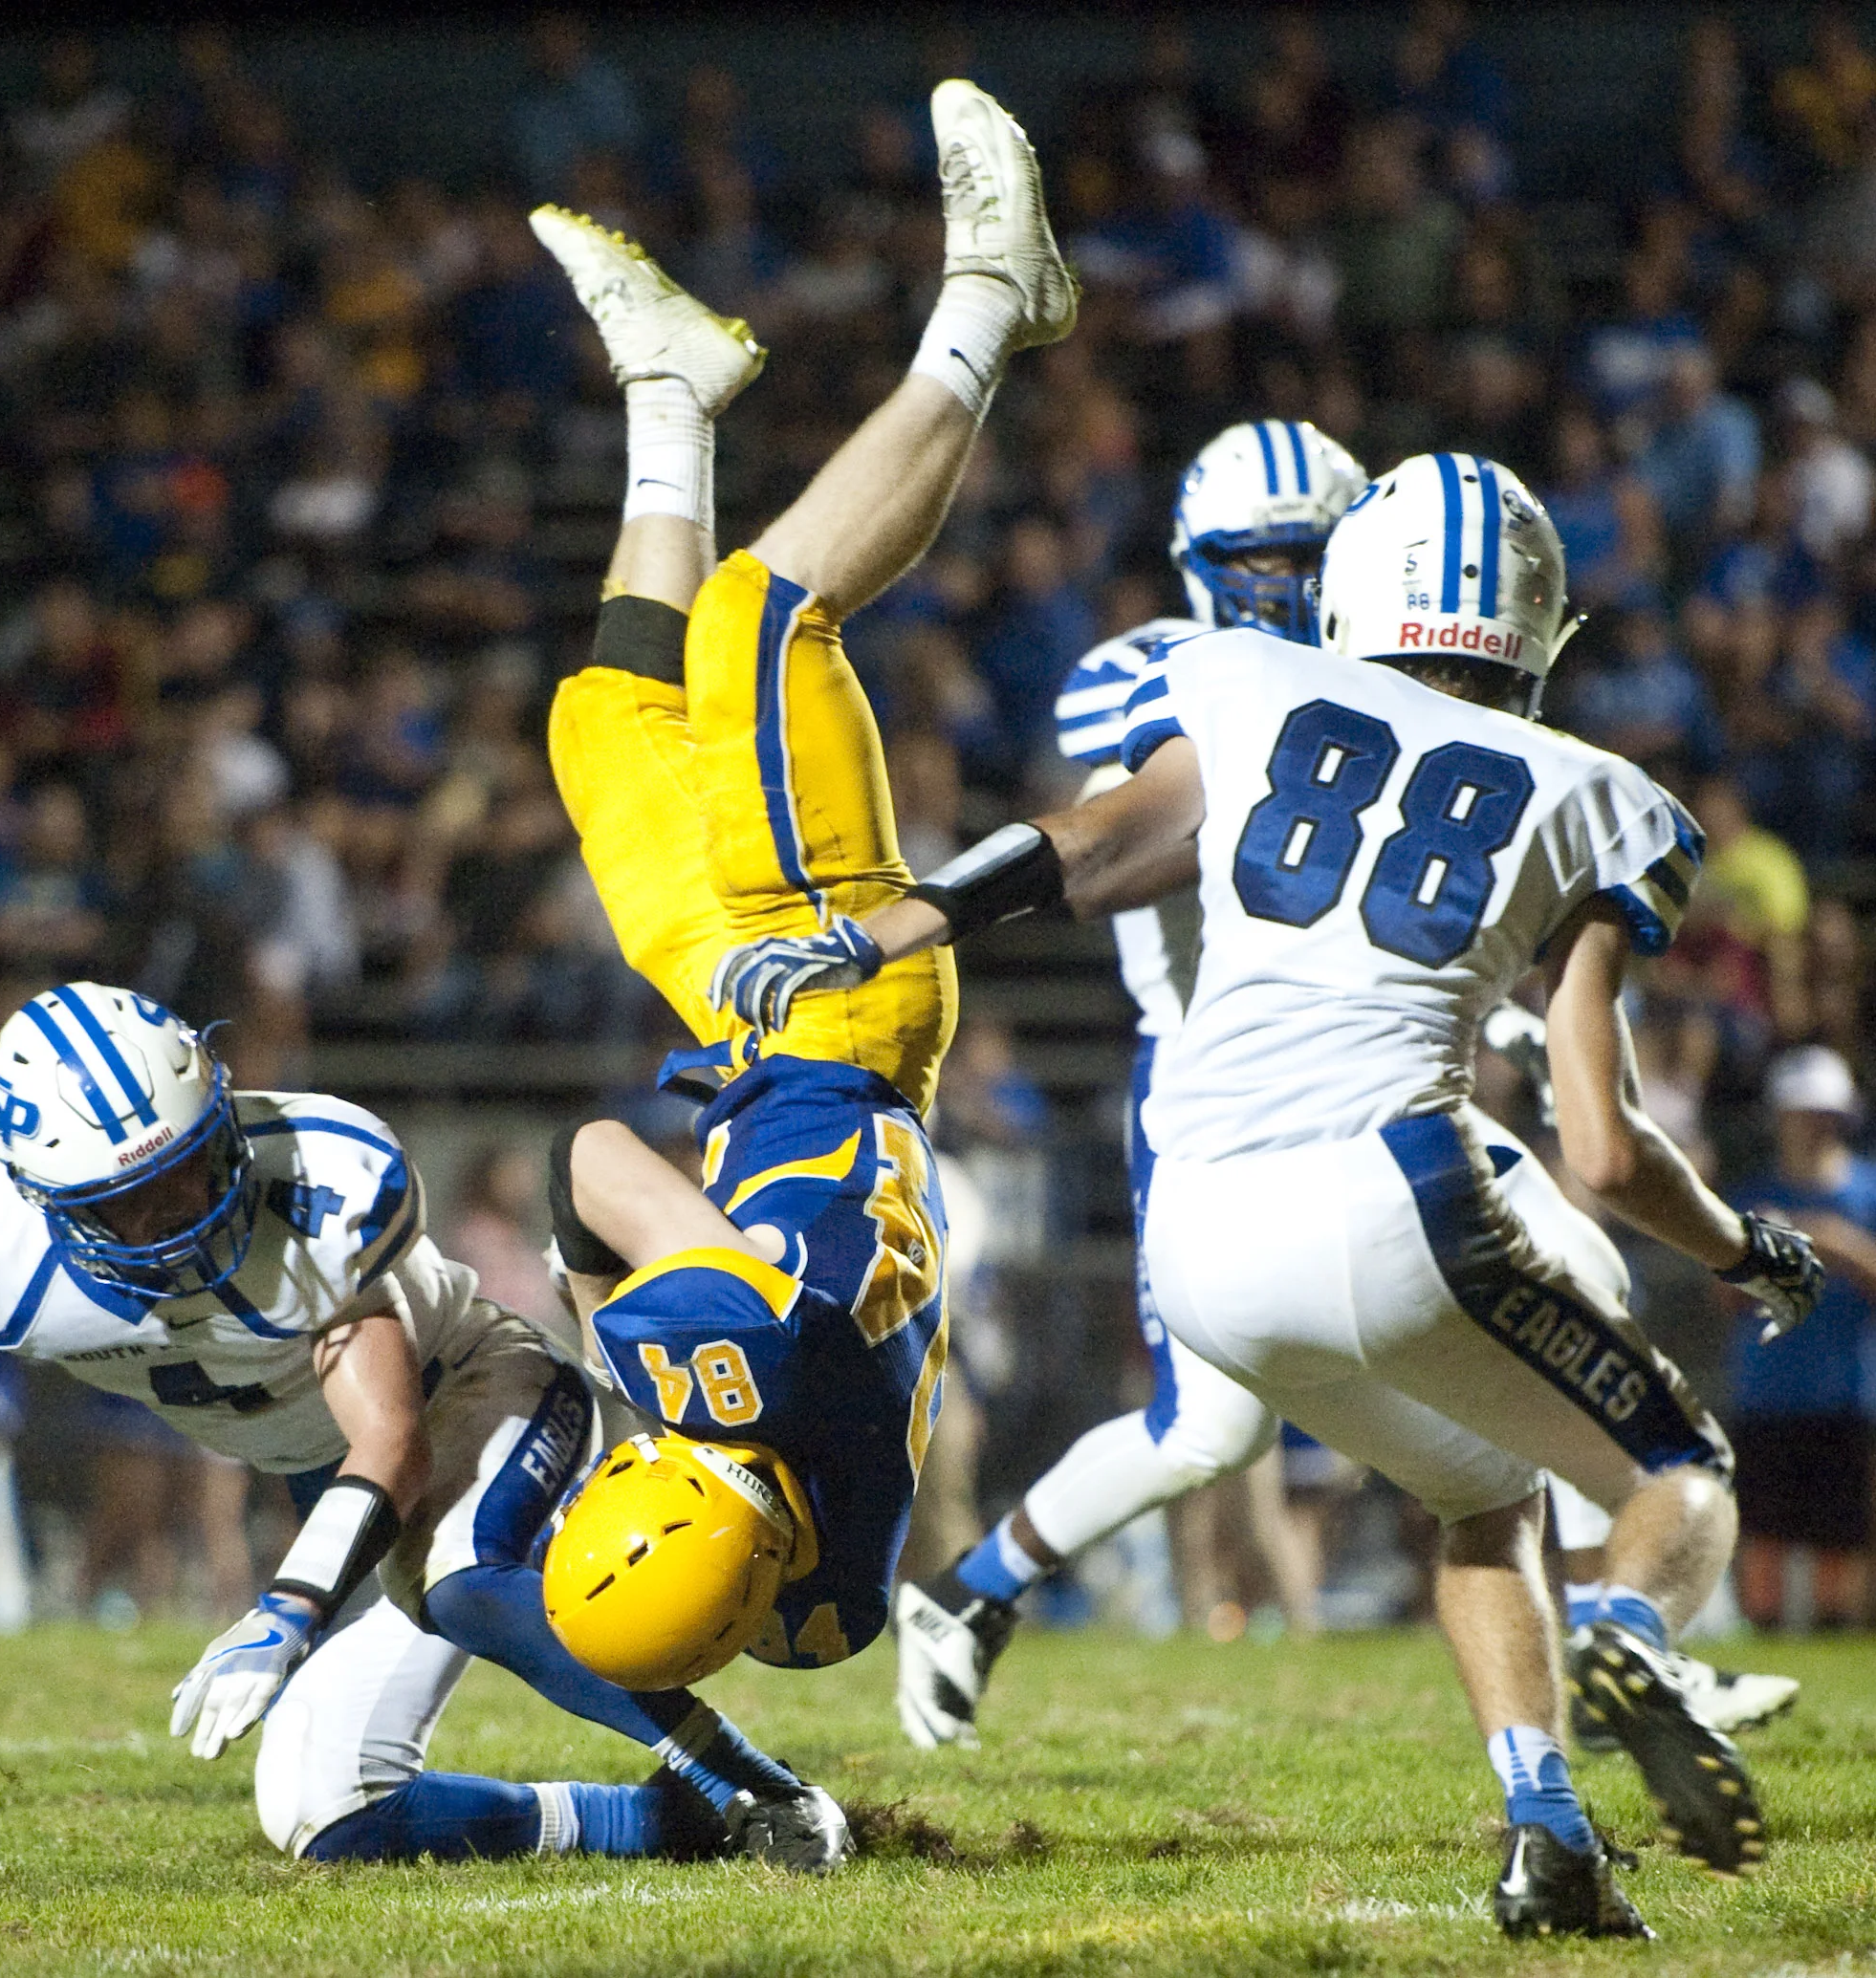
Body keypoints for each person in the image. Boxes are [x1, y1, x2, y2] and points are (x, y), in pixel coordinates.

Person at [716, 450, 1826, 1938]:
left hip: (1196, 1227)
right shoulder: (1603, 797)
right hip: (1390, 1195)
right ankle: (1628, 1632)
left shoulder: (1238, 681)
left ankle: (1548, 1837)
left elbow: (1087, 842)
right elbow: (1606, 1147)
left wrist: (882, 931)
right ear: (1537, 623)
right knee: (1674, 1469)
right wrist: (1745, 1248)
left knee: (1479, 1492)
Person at [0, 984, 843, 1870]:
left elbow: (393, 1440)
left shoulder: (322, 1185)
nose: (179, 1216)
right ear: (42, 1197)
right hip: (340, 1500)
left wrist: (283, 1608)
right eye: (129, 1203)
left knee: (459, 1574)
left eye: (189, 1169)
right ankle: (669, 1823)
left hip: (474, 1391)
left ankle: (757, 1785)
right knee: (324, 1811)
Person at [527, 78, 1074, 1693]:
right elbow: (585, 1161)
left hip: (749, 1045)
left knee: (601, 722)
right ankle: (991, 301)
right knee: (760, 618)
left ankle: (670, 392)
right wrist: (603, 1340)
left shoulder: (820, 1604)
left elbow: (751, 1623)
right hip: (833, 1008)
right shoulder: (742, 1360)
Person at [893, 418, 1366, 1748]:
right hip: (1214, 1094)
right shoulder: (1158, 681)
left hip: (1361, 1072)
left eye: (1306, 553)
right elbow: (1120, 846)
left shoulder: (1378, 682)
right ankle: (973, 1591)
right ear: (1200, 561)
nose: (1281, 581)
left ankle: (1620, 1618)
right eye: (1254, 555)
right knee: (1205, 1430)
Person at [1725, 1045, 1876, 1627]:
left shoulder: (1865, 1193)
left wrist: (1833, 1242)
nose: (1814, 1126)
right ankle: (1765, 1636)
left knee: (1840, 1539)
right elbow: (1723, 1298)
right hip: (1767, 1395)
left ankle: (1834, 1631)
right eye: (1802, 1113)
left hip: (1845, 1396)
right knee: (1764, 1535)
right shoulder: (1751, 1200)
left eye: (1824, 1114)